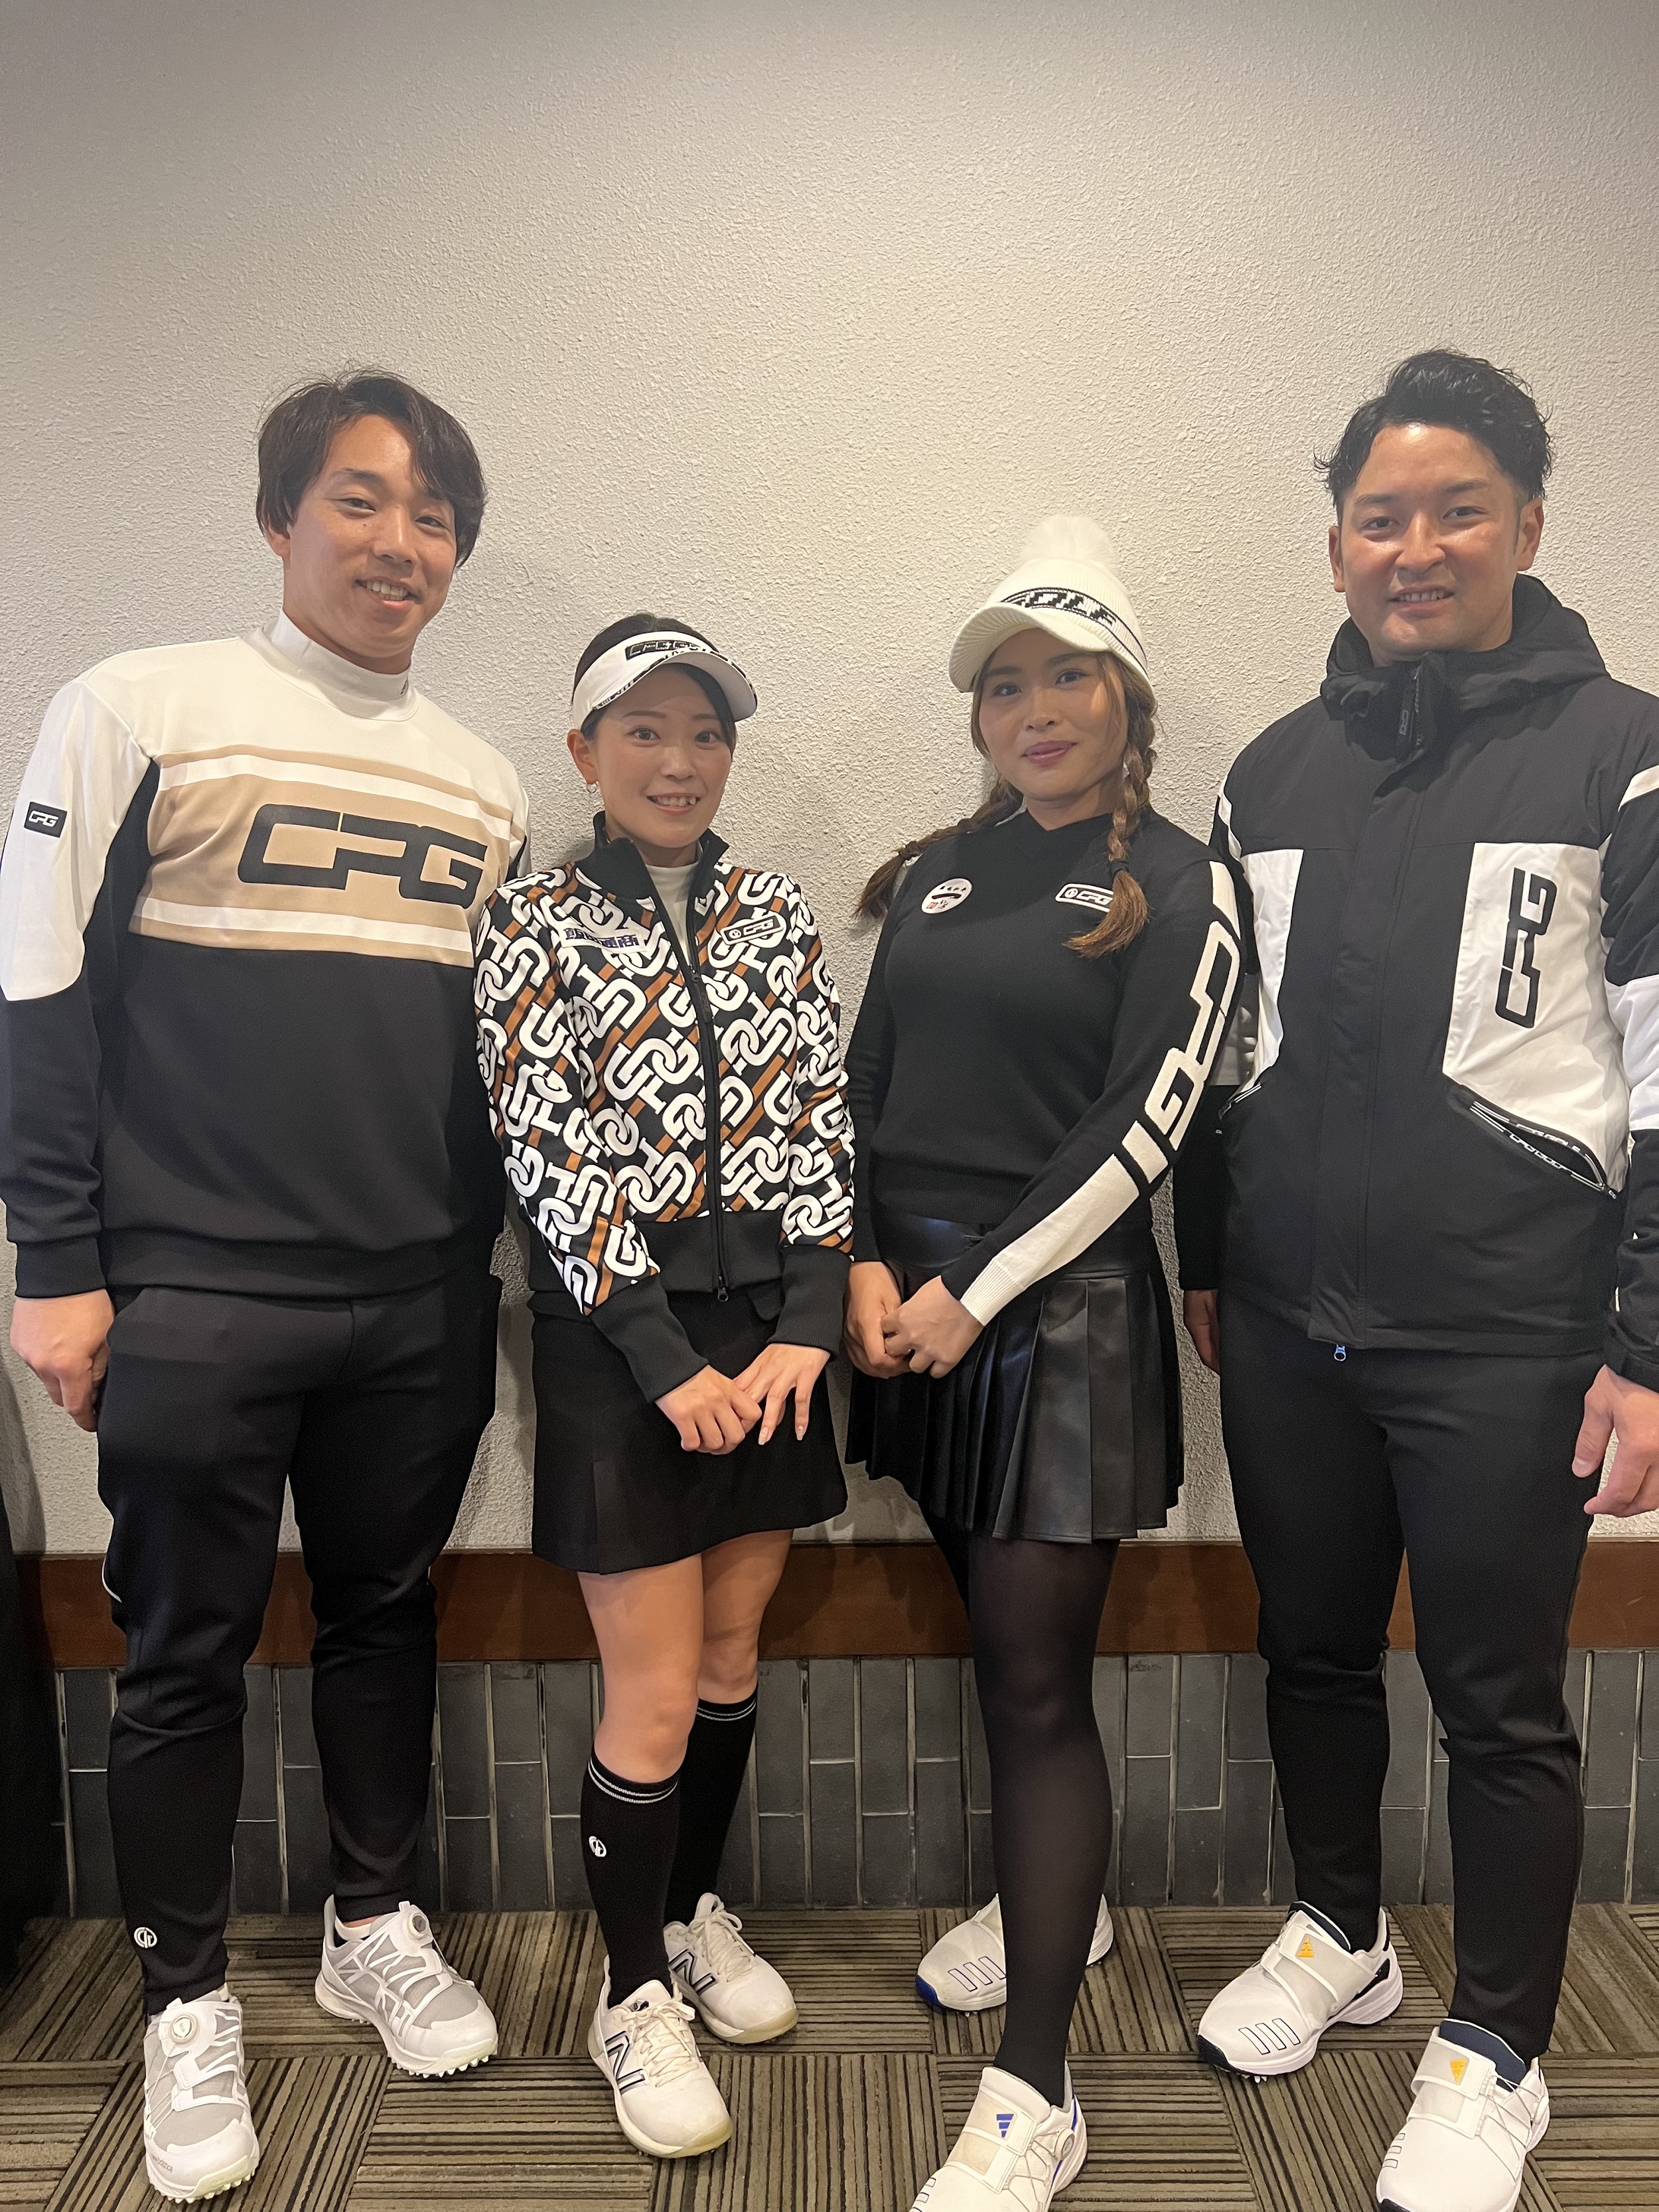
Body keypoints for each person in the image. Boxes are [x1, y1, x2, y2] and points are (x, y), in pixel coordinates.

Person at [0, 371, 530, 2204]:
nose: (400, 542)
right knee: (182, 1651)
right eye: (361, 501)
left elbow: (492, 1065)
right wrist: (55, 1269)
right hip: (192, 1288)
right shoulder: (135, 707)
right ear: (279, 518)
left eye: (434, 516)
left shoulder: (482, 782)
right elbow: (39, 997)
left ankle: (371, 1920)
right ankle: (183, 1996)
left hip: (418, 1296)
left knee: (385, 1614)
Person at [1181, 350, 1659, 2212]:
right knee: (1306, 1648)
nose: (1415, 545)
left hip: (1509, 1334)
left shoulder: (1622, 752)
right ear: (1333, 548)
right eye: (1378, 517)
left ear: (1525, 526)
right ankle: (1340, 1929)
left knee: (1494, 1700)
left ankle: (1495, 2048)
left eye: (1456, 509)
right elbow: (1220, 1044)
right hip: (1283, 1316)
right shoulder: (1266, 773)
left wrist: (1646, 1344)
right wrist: (1206, 1253)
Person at [843, 518, 1243, 2212]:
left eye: (1067, 675)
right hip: (910, 1308)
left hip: (1055, 1314)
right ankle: (1044, 1910)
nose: (1035, 708)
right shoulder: (941, 870)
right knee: (988, 1646)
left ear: (1122, 693)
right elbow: (861, 1083)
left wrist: (976, 1287)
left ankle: (1036, 2089)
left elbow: (1143, 1123)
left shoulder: (1183, 880)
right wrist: (862, 1260)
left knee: (1032, 1683)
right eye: (1005, 685)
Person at [473, 613, 852, 2160]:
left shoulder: (775, 909)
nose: (678, 760)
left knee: (732, 1648)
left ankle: (691, 1911)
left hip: (770, 1339)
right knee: (646, 1683)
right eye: (643, 730)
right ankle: (629, 1991)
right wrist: (660, 1358)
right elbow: (544, 1146)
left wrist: (809, 1322)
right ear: (586, 752)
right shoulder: (533, 920)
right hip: (619, 1343)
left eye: (704, 732)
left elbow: (819, 1110)